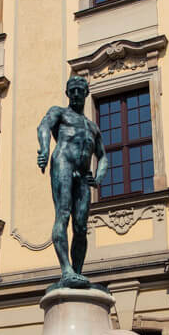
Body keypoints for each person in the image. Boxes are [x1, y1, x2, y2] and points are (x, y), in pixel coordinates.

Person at [36, 75, 108, 289]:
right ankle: (66, 269)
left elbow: (103, 156)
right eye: (72, 90)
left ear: (86, 93)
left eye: (80, 90)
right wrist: (45, 149)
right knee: (64, 214)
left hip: (84, 173)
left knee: (81, 226)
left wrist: (98, 177)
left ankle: (77, 272)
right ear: (67, 93)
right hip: (63, 164)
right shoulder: (59, 112)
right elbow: (43, 127)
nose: (76, 94)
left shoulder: (93, 127)